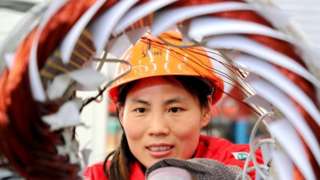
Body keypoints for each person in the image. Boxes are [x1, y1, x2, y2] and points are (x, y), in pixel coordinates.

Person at [85, 31, 262, 180]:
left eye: (174, 109)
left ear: (205, 110)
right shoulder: (98, 176)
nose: (158, 128)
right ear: (122, 114)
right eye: (141, 110)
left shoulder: (246, 164)